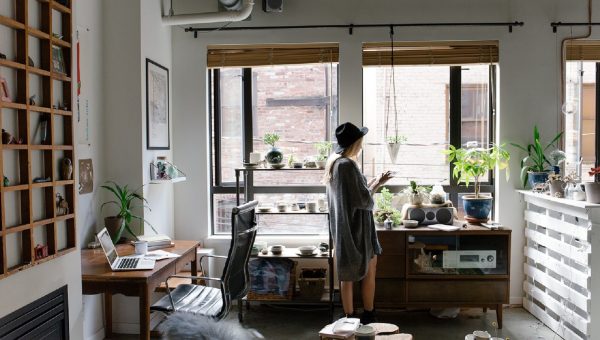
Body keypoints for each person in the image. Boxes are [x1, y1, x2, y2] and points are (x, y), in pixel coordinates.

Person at [323, 122, 393, 324]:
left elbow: (355, 194)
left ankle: (349, 318)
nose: (362, 145)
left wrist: (374, 182)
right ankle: (368, 315)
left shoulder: (335, 163)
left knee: (347, 274)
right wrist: (378, 184)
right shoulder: (347, 166)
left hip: (345, 228)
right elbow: (363, 200)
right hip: (357, 229)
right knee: (369, 270)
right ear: (355, 143)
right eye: (361, 141)